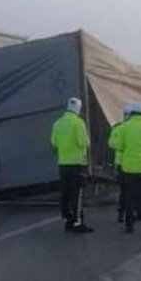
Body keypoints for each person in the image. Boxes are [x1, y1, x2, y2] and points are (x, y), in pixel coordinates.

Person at [110, 100, 141, 233]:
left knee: (129, 198)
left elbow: (117, 145)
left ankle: (129, 226)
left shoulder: (124, 128)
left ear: (130, 113)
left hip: (129, 169)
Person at [50, 97, 94, 233]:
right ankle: (78, 222)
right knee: (78, 194)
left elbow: (54, 142)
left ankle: (68, 220)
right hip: (77, 164)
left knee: (66, 193)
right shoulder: (78, 123)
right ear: (78, 109)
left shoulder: (58, 123)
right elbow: (83, 142)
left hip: (63, 164)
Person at [107, 104, 132, 223]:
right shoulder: (119, 128)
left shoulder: (121, 128)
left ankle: (125, 213)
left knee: (127, 190)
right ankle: (124, 213)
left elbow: (112, 143)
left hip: (125, 164)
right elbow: (111, 143)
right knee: (126, 191)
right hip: (125, 164)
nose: (126, 116)